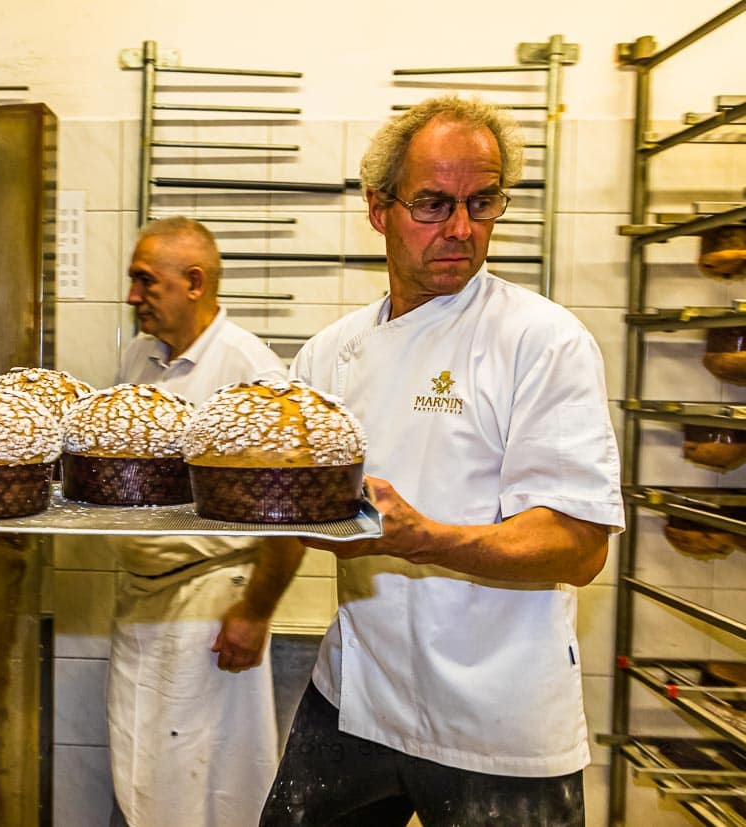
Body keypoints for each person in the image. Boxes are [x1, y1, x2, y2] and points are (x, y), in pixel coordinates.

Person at [259, 96, 624, 826]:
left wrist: (423, 536)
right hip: (358, 694)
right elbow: (288, 500)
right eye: (433, 203)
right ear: (378, 209)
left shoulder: (541, 342)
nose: (461, 228)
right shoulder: (331, 353)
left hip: (499, 721)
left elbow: (580, 548)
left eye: (481, 202)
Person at [107, 217, 304, 827]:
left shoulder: (253, 373)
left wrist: (255, 612)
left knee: (207, 781)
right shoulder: (137, 358)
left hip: (212, 603)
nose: (133, 296)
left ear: (194, 282)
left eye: (146, 281)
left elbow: (292, 511)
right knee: (139, 763)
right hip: (141, 597)